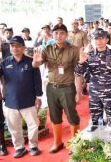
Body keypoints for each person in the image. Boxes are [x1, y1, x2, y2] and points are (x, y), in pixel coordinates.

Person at [32, 24, 81, 154]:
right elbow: (36, 64)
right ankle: (57, 142)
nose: (58, 36)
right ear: (52, 35)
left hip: (68, 87)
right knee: (54, 116)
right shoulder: (47, 49)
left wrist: (79, 91)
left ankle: (75, 143)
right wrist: (36, 62)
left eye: (61, 33)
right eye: (56, 33)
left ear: (66, 35)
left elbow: (79, 71)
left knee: (72, 116)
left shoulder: (74, 50)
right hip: (52, 87)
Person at [0, 36, 42, 158]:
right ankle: (19, 148)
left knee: (32, 125)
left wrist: (39, 96)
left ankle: (33, 146)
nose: (15, 48)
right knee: (14, 127)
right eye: (12, 46)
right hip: (11, 101)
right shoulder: (4, 62)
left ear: (23, 47)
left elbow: (37, 80)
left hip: (28, 100)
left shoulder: (31, 61)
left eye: (18, 46)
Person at [75, 29, 111, 131]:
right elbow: (78, 73)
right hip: (94, 93)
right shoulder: (89, 55)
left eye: (101, 38)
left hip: (110, 93)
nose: (99, 41)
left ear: (106, 40)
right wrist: (80, 62)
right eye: (96, 39)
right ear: (93, 40)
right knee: (96, 122)